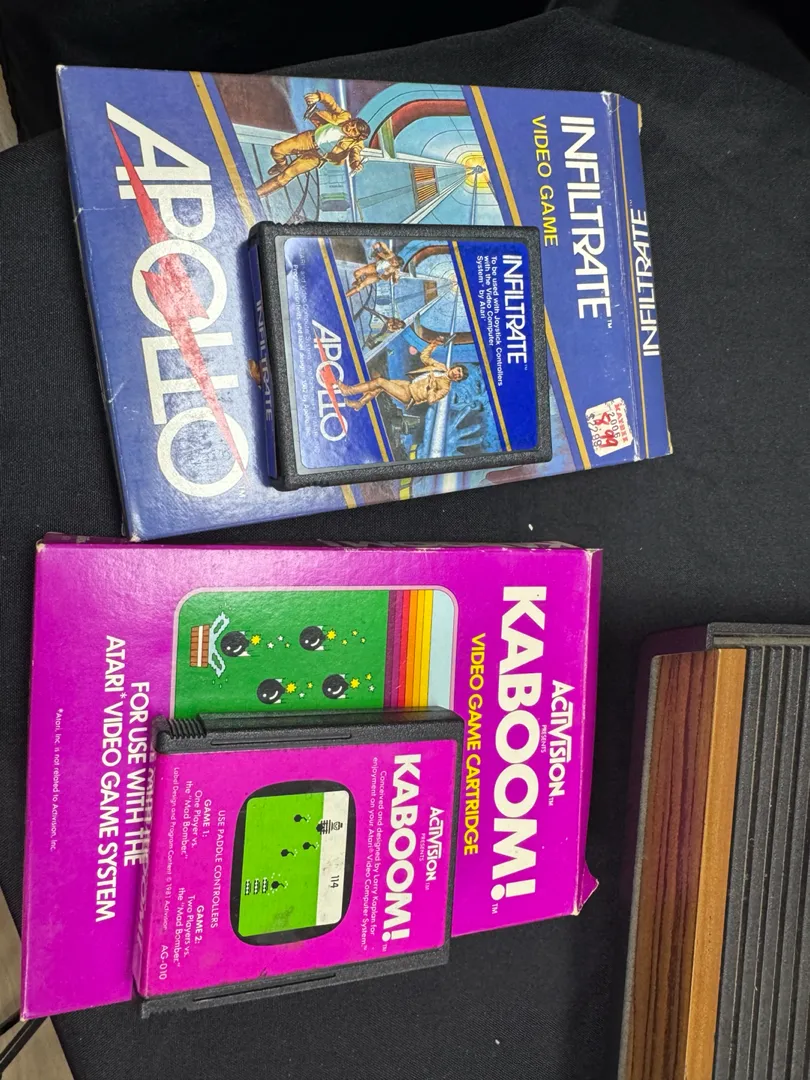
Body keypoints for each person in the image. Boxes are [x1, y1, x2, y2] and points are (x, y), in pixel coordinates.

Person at [256, 90, 370, 197]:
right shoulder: (344, 116)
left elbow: (355, 154)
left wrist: (355, 163)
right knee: (276, 150)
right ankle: (281, 166)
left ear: (357, 137)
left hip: (316, 157)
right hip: (308, 139)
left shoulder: (357, 143)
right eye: (352, 124)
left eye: (354, 131)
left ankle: (256, 194)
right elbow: (331, 103)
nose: (349, 128)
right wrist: (319, 96)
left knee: (285, 176)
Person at [337, 335, 467, 410]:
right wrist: (434, 344)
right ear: (455, 367)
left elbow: (431, 401)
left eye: (459, 376)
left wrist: (432, 388)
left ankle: (348, 391)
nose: (457, 374)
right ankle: (359, 404)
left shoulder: (445, 388)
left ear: (457, 380)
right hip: (407, 385)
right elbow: (424, 357)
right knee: (379, 387)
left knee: (380, 382)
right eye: (458, 370)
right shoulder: (441, 366)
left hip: (409, 396)